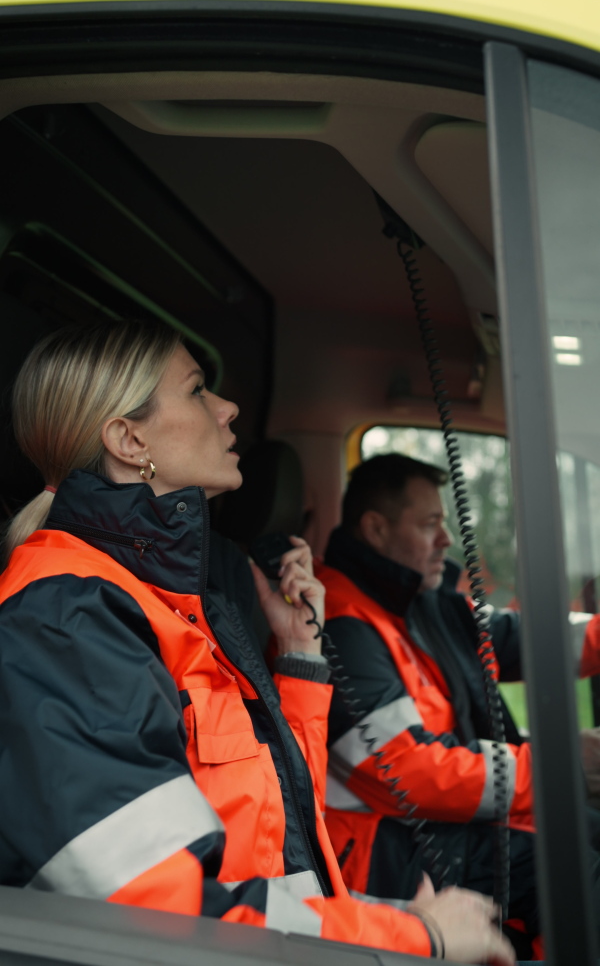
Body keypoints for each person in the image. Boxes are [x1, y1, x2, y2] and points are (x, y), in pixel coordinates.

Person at [0, 321, 514, 965]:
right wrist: (417, 936)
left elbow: (273, 836)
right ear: (130, 440)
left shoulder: (182, 596)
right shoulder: (68, 614)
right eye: (197, 390)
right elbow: (149, 908)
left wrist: (299, 656)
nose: (227, 408)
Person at [318, 453, 600, 957]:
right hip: (389, 847)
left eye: (446, 522)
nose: (447, 539)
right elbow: (405, 770)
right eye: (430, 524)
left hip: (447, 823)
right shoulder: (341, 625)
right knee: (572, 864)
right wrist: (556, 769)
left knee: (585, 829)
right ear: (376, 529)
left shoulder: (425, 603)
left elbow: (525, 640)